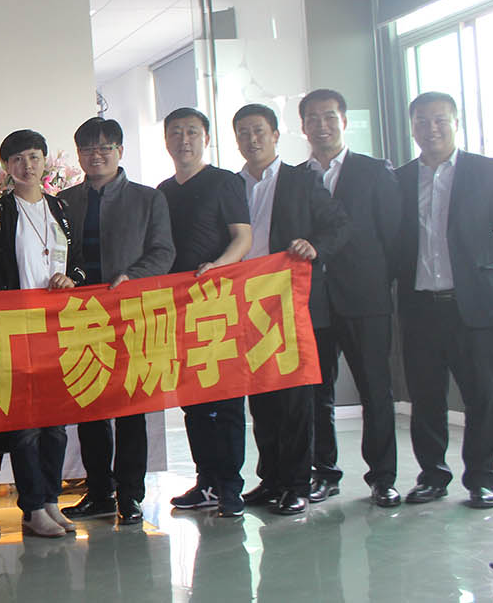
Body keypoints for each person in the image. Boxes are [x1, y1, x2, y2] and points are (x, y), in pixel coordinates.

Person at [396, 91, 493, 509]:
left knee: (482, 397)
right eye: (421, 121)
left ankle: (482, 479)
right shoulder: (400, 178)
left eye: (439, 120)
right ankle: (433, 477)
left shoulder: (488, 170)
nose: (430, 128)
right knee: (426, 399)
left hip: (474, 306)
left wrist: (480, 269)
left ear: (455, 122)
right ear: (412, 127)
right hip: (419, 306)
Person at [231, 104, 350, 516]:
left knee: (297, 398)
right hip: (247, 306)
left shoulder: (302, 180)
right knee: (261, 398)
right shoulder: (233, 185)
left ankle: (298, 483)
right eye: (243, 132)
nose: (252, 139)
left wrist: (315, 247)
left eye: (259, 131)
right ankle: (271, 479)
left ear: (276, 134)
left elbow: (339, 225)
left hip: (292, 304)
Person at [55, 117, 175, 526]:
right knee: (88, 404)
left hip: (130, 314)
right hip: (81, 315)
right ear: (78, 155)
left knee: (130, 408)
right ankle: (99, 492)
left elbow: (164, 252)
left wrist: (132, 276)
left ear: (120, 151)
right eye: (88, 148)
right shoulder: (64, 201)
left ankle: (130, 494)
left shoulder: (148, 198)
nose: (97, 155)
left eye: (105, 147)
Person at [0, 129, 86, 537]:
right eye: (18, 159)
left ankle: (52, 500)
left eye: (34, 157)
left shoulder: (60, 208)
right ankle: (33, 506)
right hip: (16, 330)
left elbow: (80, 261)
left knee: (56, 424)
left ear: (45, 162)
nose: (27, 166)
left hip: (57, 328)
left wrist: (71, 279)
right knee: (25, 424)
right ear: (7, 167)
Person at [298, 89, 403, 508]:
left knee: (375, 390)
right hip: (312, 302)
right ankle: (324, 473)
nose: (321, 126)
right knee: (316, 393)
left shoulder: (375, 171)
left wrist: (376, 284)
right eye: (312, 118)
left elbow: (393, 236)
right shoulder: (295, 178)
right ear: (302, 126)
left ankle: (382, 477)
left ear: (343, 121)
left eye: (329, 117)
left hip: (365, 300)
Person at [155, 108, 253, 518]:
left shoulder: (225, 182)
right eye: (176, 132)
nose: (184, 140)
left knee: (226, 398)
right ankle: (205, 481)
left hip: (218, 303)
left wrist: (218, 267)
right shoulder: (162, 191)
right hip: (178, 308)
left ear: (206, 139)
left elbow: (242, 238)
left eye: (192, 132)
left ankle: (230, 486)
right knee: (192, 399)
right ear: (166, 140)